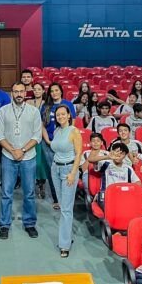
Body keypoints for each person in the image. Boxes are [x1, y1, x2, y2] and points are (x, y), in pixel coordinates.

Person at [0, 81, 42, 240]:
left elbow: (37, 136)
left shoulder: (34, 112)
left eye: (21, 91)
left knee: (29, 193)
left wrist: (21, 150)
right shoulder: (3, 111)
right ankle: (4, 224)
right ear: (11, 94)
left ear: (25, 93)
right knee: (6, 193)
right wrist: (13, 151)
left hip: (28, 157)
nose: (19, 94)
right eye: (16, 91)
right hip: (8, 157)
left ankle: (29, 223)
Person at [49, 104, 82, 257]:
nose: (60, 116)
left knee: (66, 209)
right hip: (55, 168)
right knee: (63, 205)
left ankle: (64, 245)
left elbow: (79, 153)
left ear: (69, 115)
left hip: (68, 171)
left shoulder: (74, 131)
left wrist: (73, 173)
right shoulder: (57, 131)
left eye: (63, 114)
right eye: (58, 115)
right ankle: (67, 237)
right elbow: (53, 147)